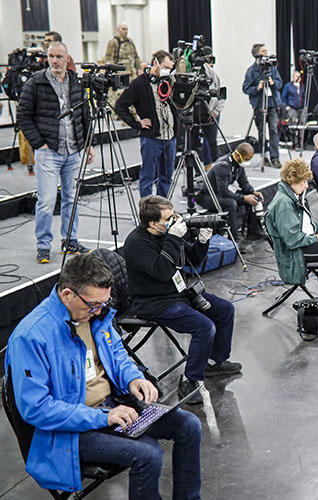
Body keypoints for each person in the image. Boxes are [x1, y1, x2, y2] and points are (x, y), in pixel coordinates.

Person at [5, 253, 202, 499]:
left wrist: (133, 378)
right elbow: (36, 409)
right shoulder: (31, 337)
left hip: (113, 407)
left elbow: (117, 353)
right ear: (67, 295)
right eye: (94, 305)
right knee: (148, 454)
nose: (99, 312)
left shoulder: (94, 314)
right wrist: (104, 416)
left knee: (189, 425)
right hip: (70, 430)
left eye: (103, 304)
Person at [124, 195, 243, 404]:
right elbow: (161, 271)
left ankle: (215, 362)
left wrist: (202, 241)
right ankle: (190, 379)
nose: (174, 221)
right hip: (153, 302)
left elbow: (193, 260)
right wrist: (174, 238)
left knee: (225, 310)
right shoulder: (136, 242)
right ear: (153, 223)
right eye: (168, 218)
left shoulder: (168, 235)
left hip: (178, 294)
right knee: (204, 327)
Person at [17, 41, 95, 264]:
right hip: (48, 152)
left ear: (67, 58)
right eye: (51, 56)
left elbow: (84, 115)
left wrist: (89, 144)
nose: (55, 61)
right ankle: (43, 244)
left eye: (59, 56)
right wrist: (38, 143)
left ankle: (70, 240)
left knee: (72, 198)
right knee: (47, 200)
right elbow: (23, 116)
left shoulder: (75, 82)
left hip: (73, 150)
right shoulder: (36, 82)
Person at [265, 158, 318, 305]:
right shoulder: (285, 203)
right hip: (295, 252)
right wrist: (316, 239)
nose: (306, 186)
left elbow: (309, 224)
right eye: (303, 182)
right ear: (292, 179)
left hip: (303, 243)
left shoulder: (294, 196)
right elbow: (292, 240)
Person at [115, 50, 177, 198]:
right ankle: (146, 211)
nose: (167, 71)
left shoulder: (169, 82)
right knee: (147, 176)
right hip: (151, 138)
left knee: (167, 176)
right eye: (165, 67)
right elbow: (120, 105)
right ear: (155, 63)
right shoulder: (139, 83)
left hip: (170, 136)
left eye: (170, 68)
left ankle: (163, 209)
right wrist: (136, 123)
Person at [196, 142, 262, 248]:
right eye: (246, 159)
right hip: (207, 196)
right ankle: (234, 239)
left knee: (251, 197)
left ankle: (253, 232)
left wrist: (253, 192)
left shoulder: (239, 165)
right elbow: (224, 192)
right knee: (231, 203)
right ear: (237, 155)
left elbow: (244, 182)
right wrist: (244, 198)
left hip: (220, 193)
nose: (247, 162)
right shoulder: (223, 165)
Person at [242, 43, 284, 169]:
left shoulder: (272, 68)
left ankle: (275, 158)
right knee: (262, 131)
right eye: (263, 52)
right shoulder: (251, 70)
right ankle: (264, 156)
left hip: (272, 104)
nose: (266, 54)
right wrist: (258, 87)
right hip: (259, 104)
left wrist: (273, 82)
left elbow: (280, 84)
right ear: (257, 54)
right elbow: (245, 88)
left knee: (274, 130)